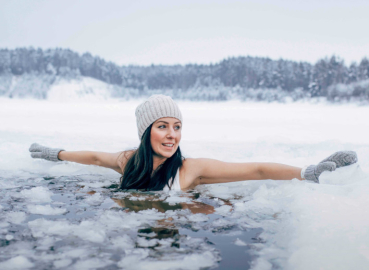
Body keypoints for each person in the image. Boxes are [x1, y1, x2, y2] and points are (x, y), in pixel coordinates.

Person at [29, 94, 358, 191]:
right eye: (162, 126)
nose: (172, 135)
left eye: (177, 126)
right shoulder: (128, 160)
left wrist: (307, 171)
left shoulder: (190, 169)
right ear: (146, 133)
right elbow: (93, 157)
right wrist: (54, 154)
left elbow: (256, 169)